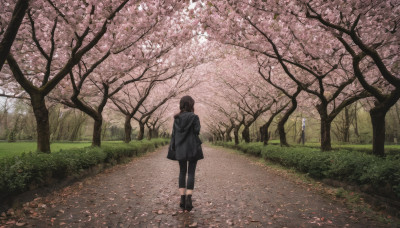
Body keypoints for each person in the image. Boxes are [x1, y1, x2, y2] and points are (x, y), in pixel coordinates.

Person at [167, 95, 204, 212]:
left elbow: (174, 134)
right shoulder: (194, 117)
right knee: (191, 173)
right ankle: (189, 199)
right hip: (192, 147)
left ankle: (182, 199)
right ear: (191, 105)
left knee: (182, 172)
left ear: (181, 104)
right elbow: (197, 131)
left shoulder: (176, 118)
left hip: (180, 148)